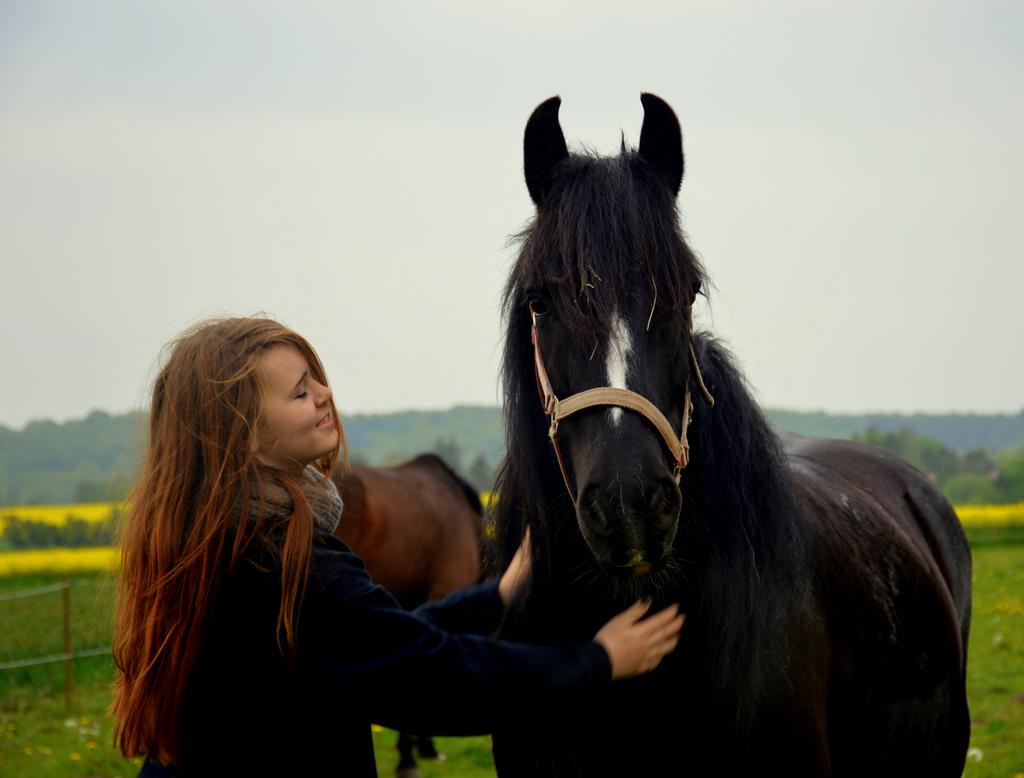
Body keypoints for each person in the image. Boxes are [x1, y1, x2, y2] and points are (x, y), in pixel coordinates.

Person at [111, 317, 685, 776]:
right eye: (300, 390)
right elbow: (436, 678)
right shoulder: (291, 565)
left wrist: (494, 598)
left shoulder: (208, 546)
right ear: (242, 431)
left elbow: (369, 644)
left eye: (318, 378)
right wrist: (599, 661)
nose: (325, 395)